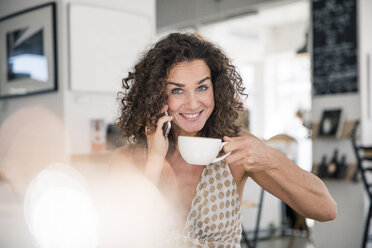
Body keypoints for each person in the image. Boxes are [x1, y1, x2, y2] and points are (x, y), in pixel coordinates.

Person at [110, 32, 337, 247]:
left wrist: (269, 157)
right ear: (156, 96)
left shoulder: (233, 150)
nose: (193, 103)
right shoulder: (126, 159)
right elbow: (120, 237)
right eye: (177, 91)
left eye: (202, 87)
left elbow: (326, 209)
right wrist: (155, 160)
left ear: (216, 90)